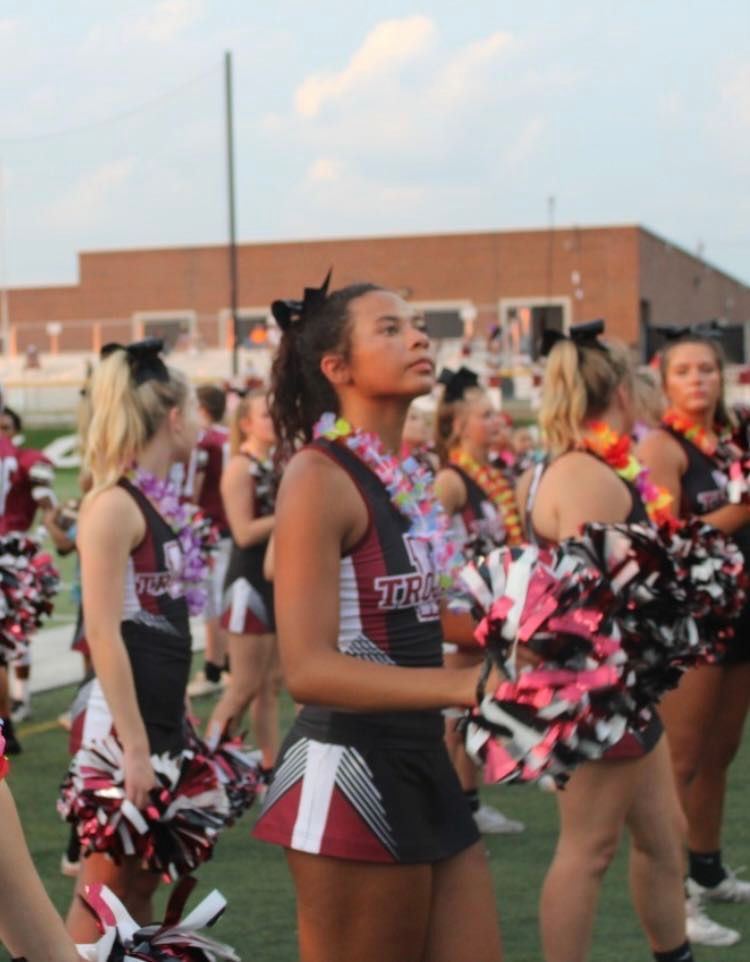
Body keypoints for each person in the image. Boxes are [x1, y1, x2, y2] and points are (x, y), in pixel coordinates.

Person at [252, 277, 502, 962]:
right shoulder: (317, 475)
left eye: (417, 325)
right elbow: (307, 669)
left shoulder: (401, 472)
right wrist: (464, 687)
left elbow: (420, 612)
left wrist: (539, 632)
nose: (419, 337)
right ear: (338, 368)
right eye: (390, 329)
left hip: (420, 757)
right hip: (350, 770)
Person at [517, 326, 691, 962]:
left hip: (625, 688)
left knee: (666, 838)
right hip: (597, 688)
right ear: (621, 390)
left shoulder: (590, 463)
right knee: (588, 852)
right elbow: (592, 603)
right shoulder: (584, 474)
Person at [63, 338, 203, 941]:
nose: (201, 423)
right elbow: (103, 632)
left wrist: (178, 711)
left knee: (141, 882)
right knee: (103, 892)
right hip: (123, 729)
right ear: (173, 418)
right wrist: (138, 748)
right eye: (196, 411)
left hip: (156, 717)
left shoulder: (154, 503)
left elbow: (162, 620)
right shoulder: (113, 506)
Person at [637, 332, 750, 947]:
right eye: (685, 370)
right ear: (667, 380)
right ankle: (675, 900)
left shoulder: (730, 439)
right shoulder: (661, 444)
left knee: (721, 750)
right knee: (679, 759)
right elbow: (664, 536)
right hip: (694, 615)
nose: (699, 379)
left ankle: (706, 867)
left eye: (707, 368)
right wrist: (739, 512)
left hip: (740, 605)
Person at [434, 369, 525, 835]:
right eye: (484, 416)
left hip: (489, 611)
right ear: (457, 426)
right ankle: (450, 812)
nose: (495, 422)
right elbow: (426, 541)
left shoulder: (491, 476)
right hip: (459, 614)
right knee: (454, 717)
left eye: (495, 414)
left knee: (474, 709)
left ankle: (468, 803)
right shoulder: (451, 480)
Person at [205, 390, 280, 780]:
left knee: (269, 687)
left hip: (275, 582)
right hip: (247, 586)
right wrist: (292, 510)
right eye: (266, 415)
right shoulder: (238, 467)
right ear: (247, 423)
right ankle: (208, 763)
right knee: (243, 686)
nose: (274, 421)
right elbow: (244, 532)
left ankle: (269, 767)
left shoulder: (275, 465)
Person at [0, 406, 56, 724]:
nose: (3, 433)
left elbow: (47, 501)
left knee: (17, 633)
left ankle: (20, 696)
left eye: (7, 427)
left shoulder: (25, 459)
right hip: (14, 553)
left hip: (16, 553)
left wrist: (40, 535)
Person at [186, 384, 232, 698]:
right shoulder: (228, 436)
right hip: (232, 526)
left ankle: (217, 666)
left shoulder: (204, 439)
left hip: (211, 526)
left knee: (213, 602)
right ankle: (225, 664)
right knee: (225, 597)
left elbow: (195, 487)